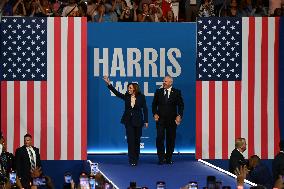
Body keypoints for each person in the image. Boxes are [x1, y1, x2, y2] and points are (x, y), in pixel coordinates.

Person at [103, 76, 148, 166]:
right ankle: (132, 160)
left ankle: (136, 158)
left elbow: (145, 109)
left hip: (138, 121)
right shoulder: (126, 96)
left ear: (135, 89)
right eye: (128, 88)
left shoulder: (141, 97)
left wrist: (146, 121)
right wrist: (109, 84)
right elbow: (116, 93)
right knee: (130, 140)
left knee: (137, 140)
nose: (128, 89)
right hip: (128, 121)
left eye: (130, 88)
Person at [152, 76, 184, 165]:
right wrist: (155, 113)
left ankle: (169, 157)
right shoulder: (158, 92)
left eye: (165, 81)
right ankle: (161, 158)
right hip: (160, 120)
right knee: (159, 138)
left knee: (171, 139)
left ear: (171, 82)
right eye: (163, 81)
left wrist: (179, 115)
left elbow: (181, 105)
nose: (164, 83)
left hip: (171, 120)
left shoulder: (177, 92)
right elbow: (154, 105)